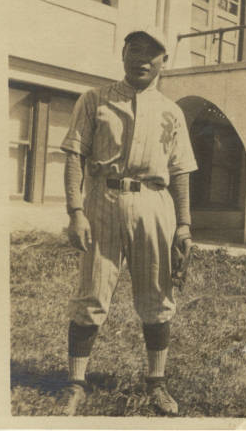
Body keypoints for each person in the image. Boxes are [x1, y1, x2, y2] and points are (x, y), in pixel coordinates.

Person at [60, 27, 197, 416]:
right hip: (102, 200)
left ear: (163, 62)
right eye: (135, 49)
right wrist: (75, 212)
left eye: (152, 53)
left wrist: (184, 225)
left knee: (157, 296)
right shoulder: (94, 99)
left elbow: (181, 170)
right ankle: (75, 384)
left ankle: (157, 383)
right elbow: (74, 156)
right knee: (91, 293)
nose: (142, 59)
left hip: (154, 203)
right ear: (122, 54)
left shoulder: (172, 110)